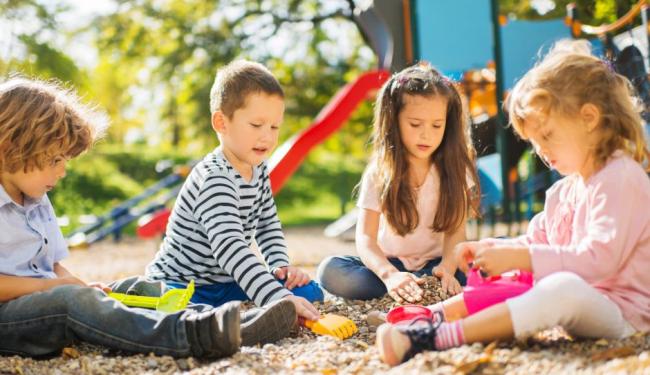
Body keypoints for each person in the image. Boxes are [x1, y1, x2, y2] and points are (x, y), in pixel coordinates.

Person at [376, 40, 650, 366]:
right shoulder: (563, 191)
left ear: (589, 118)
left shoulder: (621, 176)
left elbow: (599, 259)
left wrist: (521, 255)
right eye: (535, 141)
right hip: (580, 301)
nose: (540, 151)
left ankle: (435, 338)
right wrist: (491, 249)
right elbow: (539, 244)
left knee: (561, 286)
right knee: (513, 277)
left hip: (624, 314)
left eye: (547, 136)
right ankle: (429, 317)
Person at [0, 77, 297, 357]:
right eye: (54, 160)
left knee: (132, 288)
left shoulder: (37, 200)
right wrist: (51, 288)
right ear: (10, 148)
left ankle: (208, 320)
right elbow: (46, 285)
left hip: (45, 302)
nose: (62, 171)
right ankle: (193, 335)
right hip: (10, 320)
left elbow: (51, 266)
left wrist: (74, 283)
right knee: (72, 302)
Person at [145, 60, 322, 321]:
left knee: (309, 291)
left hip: (226, 282)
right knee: (181, 314)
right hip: (181, 282)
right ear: (221, 122)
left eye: (274, 127)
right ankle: (214, 320)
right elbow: (231, 247)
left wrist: (279, 266)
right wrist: (278, 297)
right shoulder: (215, 177)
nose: (267, 137)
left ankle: (228, 313)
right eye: (256, 125)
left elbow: (267, 224)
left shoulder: (258, 169)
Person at [317, 63, 480, 302]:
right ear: (394, 121)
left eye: (437, 125)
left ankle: (427, 284)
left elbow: (456, 233)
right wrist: (390, 275)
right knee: (331, 271)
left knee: (499, 255)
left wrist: (447, 267)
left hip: (439, 265)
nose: (427, 134)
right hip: (390, 265)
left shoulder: (456, 169)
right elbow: (366, 239)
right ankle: (406, 285)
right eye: (415, 124)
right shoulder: (379, 172)